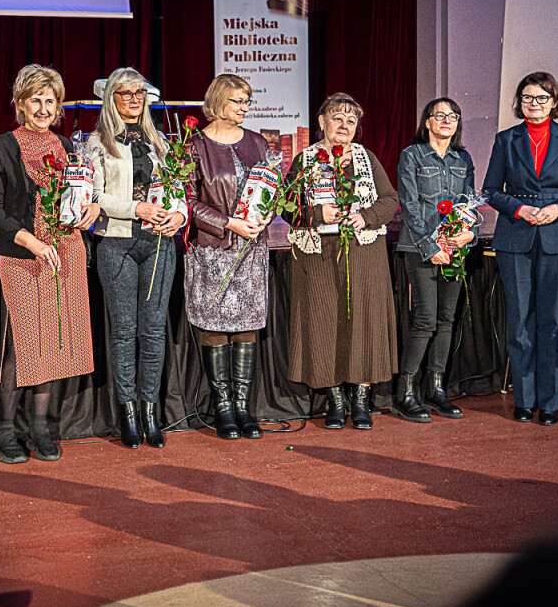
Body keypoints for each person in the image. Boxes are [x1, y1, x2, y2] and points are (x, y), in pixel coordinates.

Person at [0, 64, 99, 462]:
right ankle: (3, 429)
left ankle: (39, 427)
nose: (44, 107)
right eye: (36, 100)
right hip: (22, 258)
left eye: (51, 101)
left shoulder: (66, 146)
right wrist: (29, 241)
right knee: (23, 346)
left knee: (54, 345)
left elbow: (83, 193)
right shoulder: (3, 145)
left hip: (64, 254)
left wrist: (93, 207)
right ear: (20, 104)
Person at [482, 72, 558, 425]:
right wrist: (519, 208)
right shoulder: (505, 140)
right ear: (519, 102)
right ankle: (524, 398)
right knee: (519, 322)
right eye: (528, 98)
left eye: (542, 98)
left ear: (554, 102)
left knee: (553, 322)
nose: (534, 104)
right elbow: (490, 189)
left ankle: (549, 402)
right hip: (516, 235)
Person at [286, 93, 400, 429]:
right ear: (321, 121)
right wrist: (317, 213)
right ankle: (335, 399)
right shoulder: (304, 160)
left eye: (351, 121)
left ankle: (361, 400)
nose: (344, 125)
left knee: (363, 321)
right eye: (338, 118)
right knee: (325, 321)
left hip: (364, 253)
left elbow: (390, 200)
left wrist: (366, 216)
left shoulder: (367, 159)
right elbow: (285, 207)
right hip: (319, 255)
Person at [87, 68, 184, 448]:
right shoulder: (97, 143)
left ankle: (150, 411)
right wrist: (136, 208)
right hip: (117, 242)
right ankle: (128, 412)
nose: (132, 98)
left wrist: (179, 214)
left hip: (159, 243)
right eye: (124, 93)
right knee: (125, 332)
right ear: (111, 97)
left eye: (139, 92)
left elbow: (176, 187)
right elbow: (94, 196)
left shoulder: (159, 140)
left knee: (154, 331)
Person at [184, 74, 274, 440]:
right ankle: (222, 407)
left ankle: (243, 406)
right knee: (215, 324)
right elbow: (187, 201)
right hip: (211, 249)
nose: (244, 108)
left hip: (252, 247)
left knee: (247, 323)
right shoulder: (195, 144)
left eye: (247, 101)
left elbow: (270, 187)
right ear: (218, 101)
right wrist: (228, 223)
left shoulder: (257, 142)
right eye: (238, 101)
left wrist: (267, 213)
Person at [393, 97, 476, 422]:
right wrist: (431, 247)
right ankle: (406, 393)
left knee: (446, 320)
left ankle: (436, 389)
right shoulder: (411, 156)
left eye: (452, 115)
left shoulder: (462, 157)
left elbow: (467, 203)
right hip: (419, 249)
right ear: (427, 122)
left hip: (455, 248)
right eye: (438, 115)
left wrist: (466, 234)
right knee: (426, 320)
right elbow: (410, 207)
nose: (446, 120)